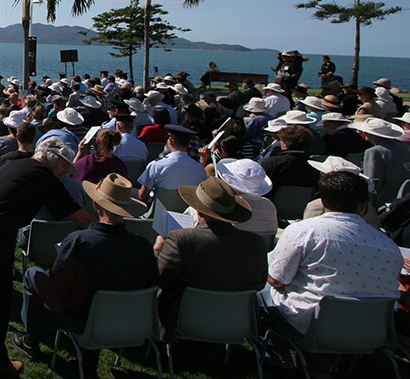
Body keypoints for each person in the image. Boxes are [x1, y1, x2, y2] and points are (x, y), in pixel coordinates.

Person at [0, 139, 93, 375]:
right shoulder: (44, 176)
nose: (65, 172)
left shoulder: (14, 163)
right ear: (50, 157)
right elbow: (79, 218)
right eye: (64, 165)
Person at [12, 174, 157, 368]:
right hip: (130, 323)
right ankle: (88, 357)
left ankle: (31, 341)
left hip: (81, 319)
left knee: (32, 275)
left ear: (96, 206)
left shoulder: (79, 241)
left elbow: (58, 289)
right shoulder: (143, 246)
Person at [263, 171, 402, 338]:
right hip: (370, 330)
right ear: (364, 205)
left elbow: (276, 279)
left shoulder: (303, 231)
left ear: (322, 201)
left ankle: (273, 347)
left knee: (263, 286)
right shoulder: (389, 247)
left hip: (310, 325)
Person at [155, 177, 268, 338]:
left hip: (184, 320)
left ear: (198, 210)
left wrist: (158, 251)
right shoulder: (256, 243)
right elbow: (259, 284)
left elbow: (160, 279)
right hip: (235, 323)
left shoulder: (181, 239)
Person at [137, 124, 207, 202]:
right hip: (186, 212)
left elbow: (142, 196)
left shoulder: (156, 165)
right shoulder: (200, 168)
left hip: (159, 211)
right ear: (188, 144)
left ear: (170, 141)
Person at [353, 117, 410, 206]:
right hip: (405, 198)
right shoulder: (405, 147)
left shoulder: (374, 152)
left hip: (383, 201)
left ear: (372, 135)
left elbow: (372, 183)